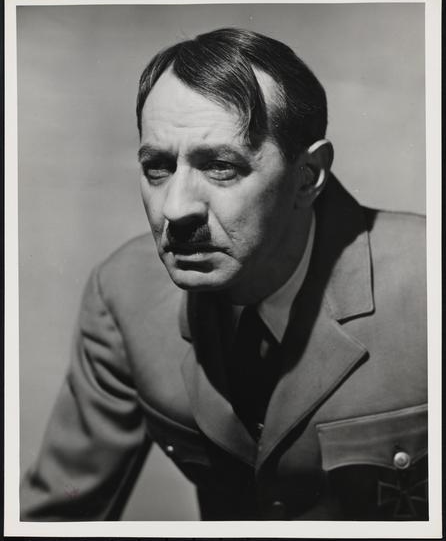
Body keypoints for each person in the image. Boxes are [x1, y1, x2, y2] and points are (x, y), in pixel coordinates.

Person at [21, 27, 427, 521]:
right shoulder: (123, 294)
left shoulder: (428, 286)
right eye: (157, 167)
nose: (175, 208)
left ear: (308, 176)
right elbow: (56, 519)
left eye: (220, 166)